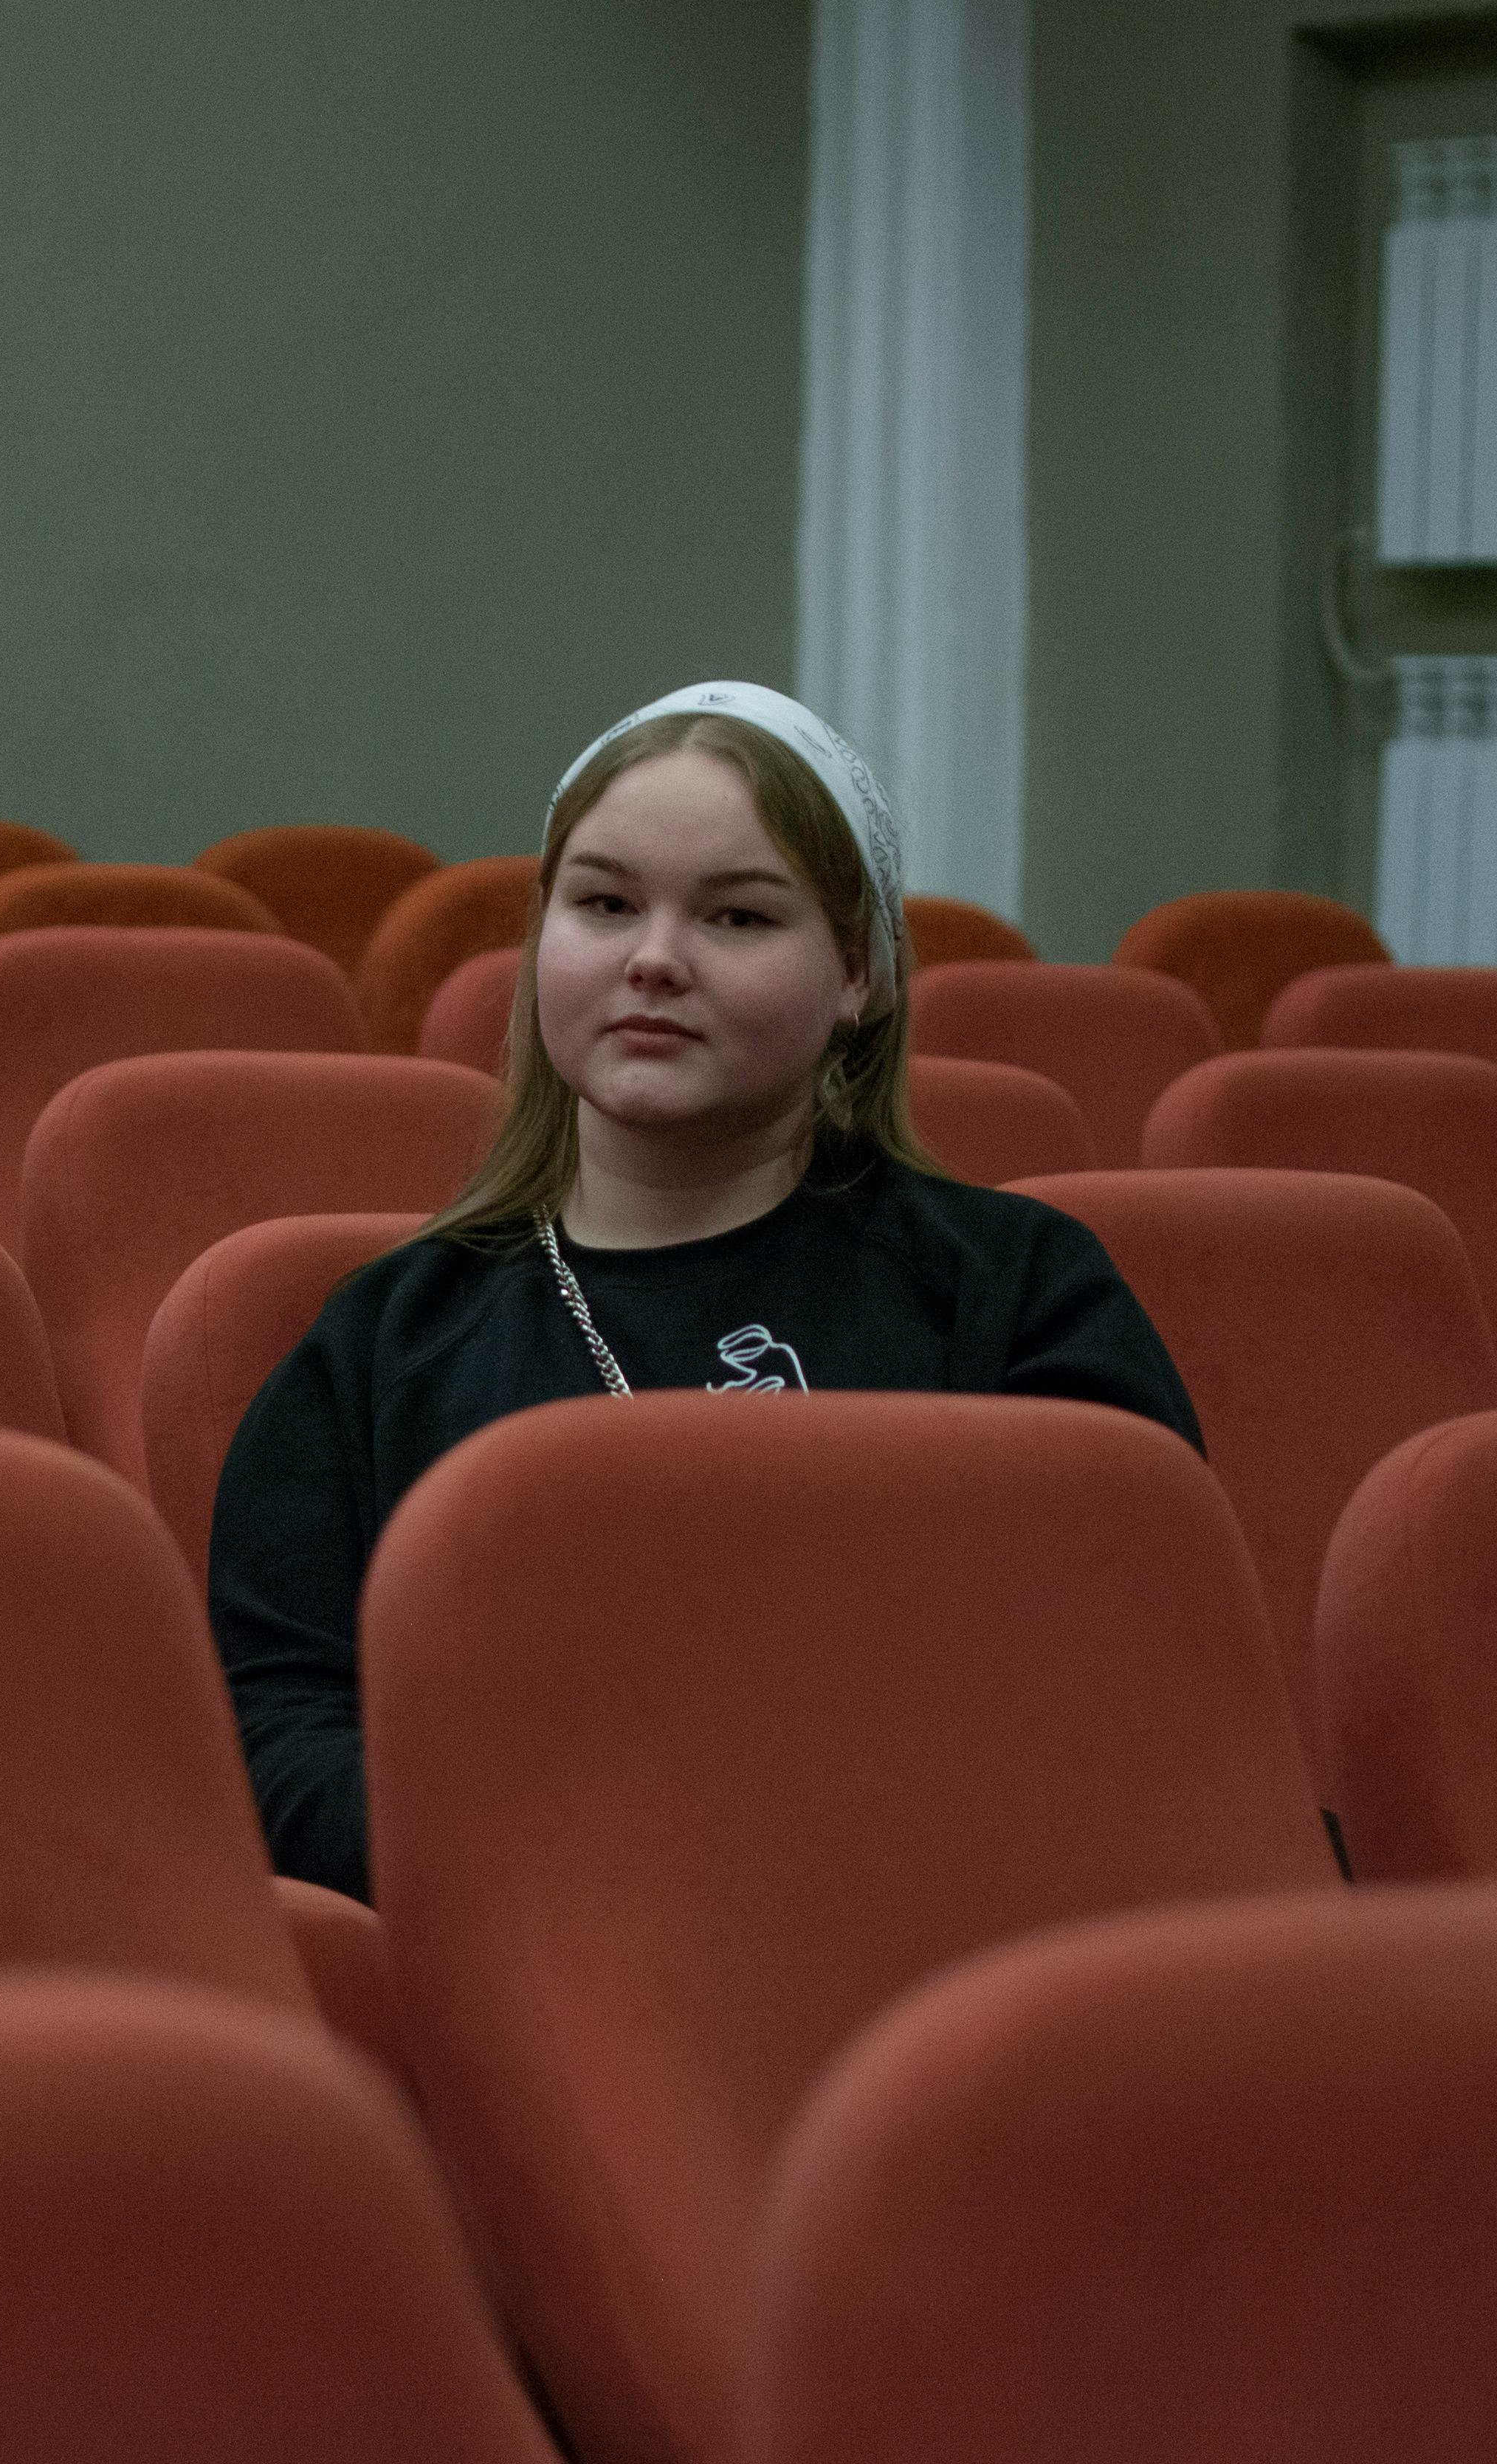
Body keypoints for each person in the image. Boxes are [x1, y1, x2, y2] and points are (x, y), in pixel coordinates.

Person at [207, 681, 1202, 1899]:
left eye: (736, 917)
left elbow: (1138, 1676)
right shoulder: (385, 1339)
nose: (656, 960)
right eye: (606, 903)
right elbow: (277, 1734)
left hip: (952, 1924)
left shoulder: (1015, 1288)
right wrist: (571, 1864)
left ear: (858, 977)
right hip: (532, 1958)